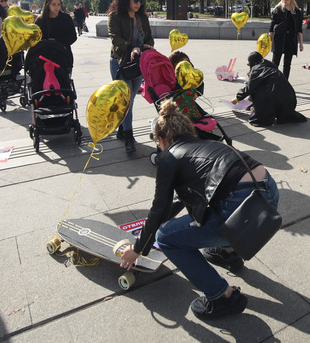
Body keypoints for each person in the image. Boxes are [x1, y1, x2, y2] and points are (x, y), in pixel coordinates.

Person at [119, 100, 280, 320]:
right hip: (268, 193)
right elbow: (177, 202)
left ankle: (222, 296)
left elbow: (160, 208)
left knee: (166, 237)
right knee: (211, 207)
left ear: (163, 139)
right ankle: (229, 253)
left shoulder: (168, 156)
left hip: (239, 208)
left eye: (158, 142)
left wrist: (138, 248)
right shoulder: (207, 143)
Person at [108, 0, 155, 152]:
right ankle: (129, 136)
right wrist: (131, 48)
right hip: (120, 62)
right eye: (135, 0)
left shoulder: (142, 17)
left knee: (130, 99)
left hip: (138, 63)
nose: (138, 4)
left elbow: (149, 37)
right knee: (127, 98)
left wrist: (146, 46)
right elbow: (116, 39)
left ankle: (122, 128)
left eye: (141, 1)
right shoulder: (115, 16)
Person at [233, 52, 307, 127]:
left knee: (256, 89)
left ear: (252, 62)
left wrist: (237, 98)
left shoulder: (257, 69)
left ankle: (264, 114)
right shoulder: (271, 67)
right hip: (289, 102)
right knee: (261, 87)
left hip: (273, 101)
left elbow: (249, 88)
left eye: (249, 62)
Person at [268, 0, 303, 78]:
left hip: (290, 40)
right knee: (275, 63)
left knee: (287, 64)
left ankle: (285, 82)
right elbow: (271, 26)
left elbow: (299, 29)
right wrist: (269, 39)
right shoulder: (278, 10)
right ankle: (273, 82)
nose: (284, 0)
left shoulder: (297, 12)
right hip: (279, 38)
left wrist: (301, 44)